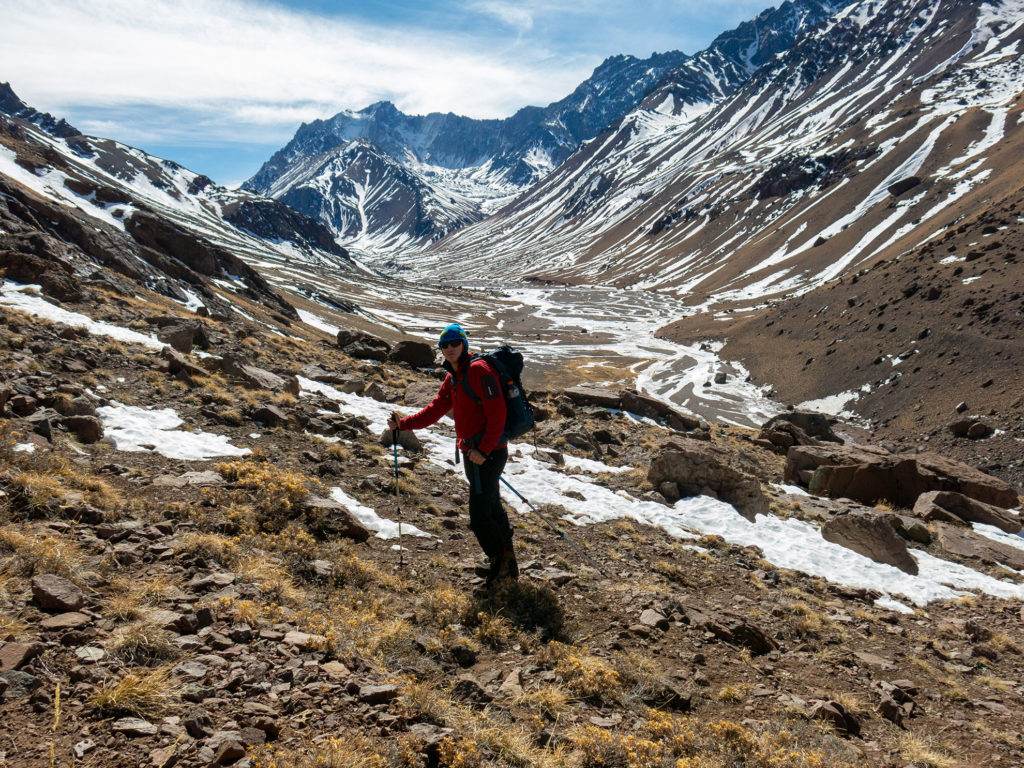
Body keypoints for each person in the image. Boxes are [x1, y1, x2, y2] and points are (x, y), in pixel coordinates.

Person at [388, 323, 518, 586]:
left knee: (480, 516)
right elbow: (436, 409)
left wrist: (484, 449)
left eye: (454, 343)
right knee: (491, 506)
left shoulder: (479, 371)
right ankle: (505, 562)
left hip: (487, 454)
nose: (449, 349)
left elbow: (498, 414)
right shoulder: (453, 377)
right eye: (444, 345)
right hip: (474, 453)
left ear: (464, 344)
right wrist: (404, 424)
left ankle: (501, 566)